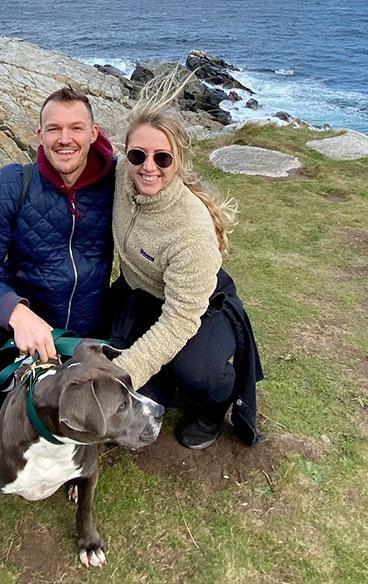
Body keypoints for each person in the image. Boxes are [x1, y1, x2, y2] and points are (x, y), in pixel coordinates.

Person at [0, 86, 116, 456]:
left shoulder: (118, 181)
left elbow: (164, 185)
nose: (65, 139)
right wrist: (17, 314)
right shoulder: (13, 184)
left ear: (94, 132)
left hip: (92, 323)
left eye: (76, 128)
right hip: (27, 329)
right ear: (39, 135)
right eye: (54, 129)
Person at [109, 73, 262, 450]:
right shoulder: (121, 177)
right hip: (140, 291)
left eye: (163, 158)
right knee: (100, 344)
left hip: (198, 306)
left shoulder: (191, 231)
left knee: (197, 372)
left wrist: (124, 372)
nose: (148, 167)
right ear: (126, 154)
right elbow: (88, 151)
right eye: (138, 155)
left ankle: (214, 407)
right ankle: (162, 385)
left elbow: (179, 321)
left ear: (177, 161)